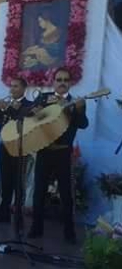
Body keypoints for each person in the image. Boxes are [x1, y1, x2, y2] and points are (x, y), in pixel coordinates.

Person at [28, 68, 88, 244]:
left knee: (66, 193)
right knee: (39, 191)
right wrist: (39, 110)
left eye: (66, 79)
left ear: (70, 83)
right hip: (44, 151)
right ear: (53, 81)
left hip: (63, 152)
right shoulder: (43, 98)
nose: (62, 82)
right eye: (59, 79)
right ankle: (36, 228)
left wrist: (79, 110)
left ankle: (69, 232)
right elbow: (31, 117)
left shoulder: (76, 101)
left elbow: (83, 124)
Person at [0, 78, 33, 223]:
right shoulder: (6, 105)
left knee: (18, 182)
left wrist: (8, 108)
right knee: (5, 180)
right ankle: (3, 213)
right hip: (4, 145)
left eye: (16, 86)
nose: (12, 89)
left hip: (19, 147)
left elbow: (24, 118)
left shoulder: (29, 105)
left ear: (24, 89)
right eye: (11, 86)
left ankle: (18, 214)